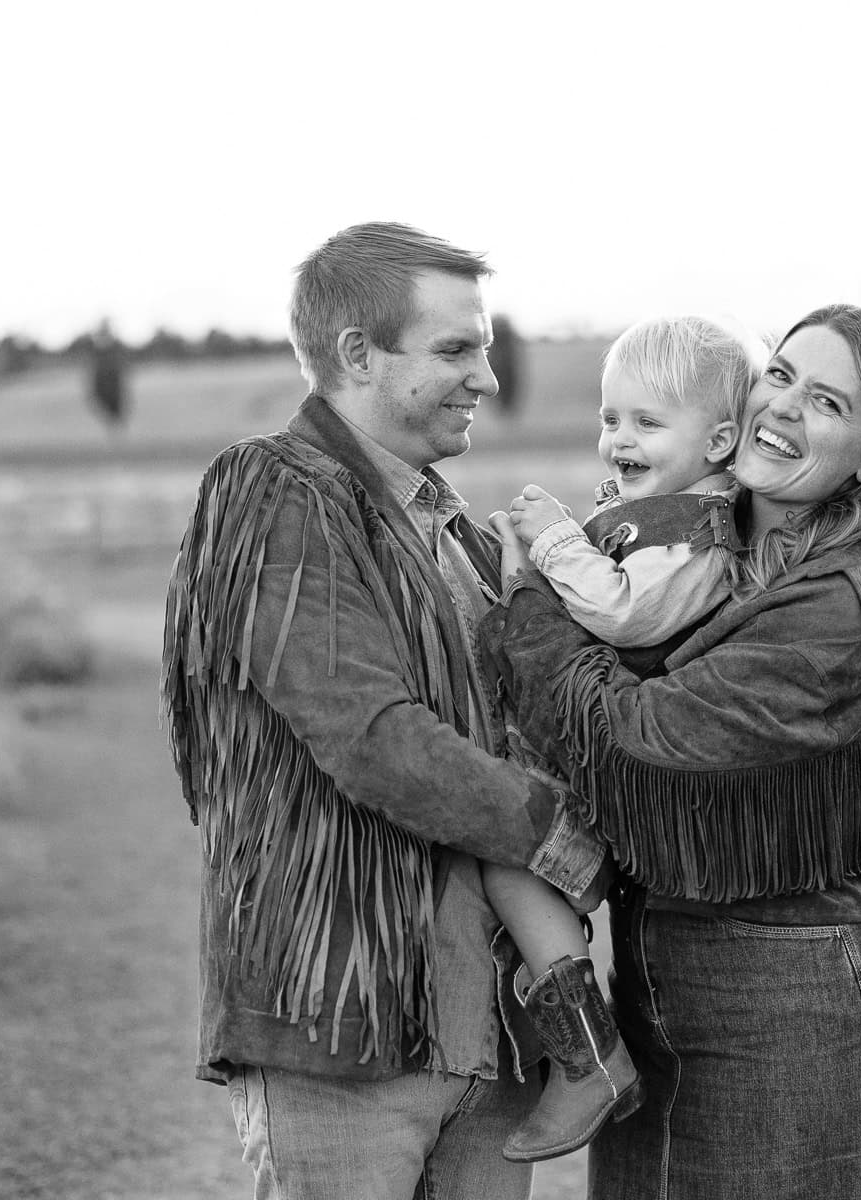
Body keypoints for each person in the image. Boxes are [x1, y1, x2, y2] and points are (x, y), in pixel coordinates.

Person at [160, 221, 607, 1200]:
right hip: (341, 1031)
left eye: (483, 348)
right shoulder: (272, 489)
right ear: (357, 354)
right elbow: (373, 740)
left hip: (483, 1035)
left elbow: (521, 727)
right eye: (455, 349)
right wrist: (568, 838)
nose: (486, 377)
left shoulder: (454, 529)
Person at [482, 303, 861, 1199]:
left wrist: (529, 611)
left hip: (788, 1006)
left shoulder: (844, 604)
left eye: (830, 404)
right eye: (782, 375)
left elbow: (644, 740)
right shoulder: (692, 528)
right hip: (654, 992)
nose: (785, 409)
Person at [481, 313, 763, 1163]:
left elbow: (620, 609)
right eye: (611, 419)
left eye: (647, 422)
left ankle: (589, 1055)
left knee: (502, 851)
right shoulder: (655, 516)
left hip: (611, 776)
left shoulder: (694, 533)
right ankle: (548, 1025)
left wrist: (559, 541)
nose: (619, 439)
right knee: (502, 862)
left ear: (718, 439)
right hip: (589, 750)